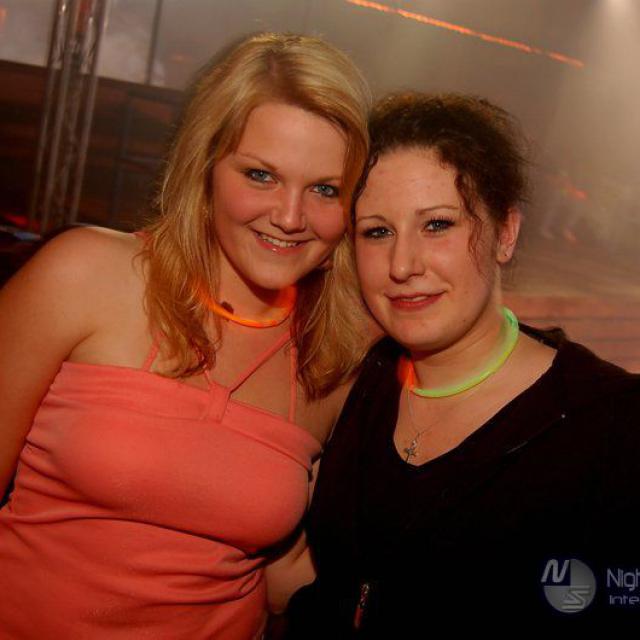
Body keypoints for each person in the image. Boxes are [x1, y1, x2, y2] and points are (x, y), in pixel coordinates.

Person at [0, 33, 371, 639]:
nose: (289, 217)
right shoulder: (86, 275)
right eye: (261, 175)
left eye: (325, 189)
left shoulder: (336, 359)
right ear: (206, 165)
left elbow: (284, 573)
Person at [283, 93, 640, 635]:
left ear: (505, 232)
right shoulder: (358, 384)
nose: (402, 265)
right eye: (377, 231)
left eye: (437, 225)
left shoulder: (612, 425)